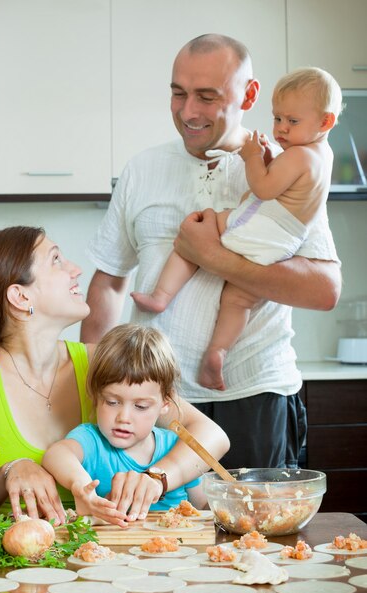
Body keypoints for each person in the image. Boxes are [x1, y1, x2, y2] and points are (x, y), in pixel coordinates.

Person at [81, 34, 342, 470]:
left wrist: (214, 257)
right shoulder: (142, 169)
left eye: (207, 96)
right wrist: (92, 383)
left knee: (255, 535)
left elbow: (324, 290)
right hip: (151, 400)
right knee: (151, 530)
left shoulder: (286, 167)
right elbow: (109, 280)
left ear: (249, 93)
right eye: (178, 94)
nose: (188, 112)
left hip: (253, 396)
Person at [0, 226, 229, 525]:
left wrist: (157, 478)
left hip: (97, 552)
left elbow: (211, 437)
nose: (75, 270)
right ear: (20, 296)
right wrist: (11, 469)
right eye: (57, 260)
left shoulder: (95, 360)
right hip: (6, 553)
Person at [131, 67, 342, 391]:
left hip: (259, 226)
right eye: (277, 119)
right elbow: (290, 187)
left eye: (292, 121)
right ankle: (218, 352)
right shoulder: (321, 156)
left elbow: (264, 187)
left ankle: (161, 296)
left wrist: (253, 156)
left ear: (325, 122)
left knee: (199, 228)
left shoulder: (299, 155)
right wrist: (271, 156)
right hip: (280, 245)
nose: (281, 129)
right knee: (239, 299)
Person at [42, 324, 206, 526]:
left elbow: (202, 506)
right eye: (112, 402)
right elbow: (56, 454)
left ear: (165, 403)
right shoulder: (91, 441)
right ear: (96, 395)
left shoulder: (175, 446)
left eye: (140, 406)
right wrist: (79, 485)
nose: (124, 417)